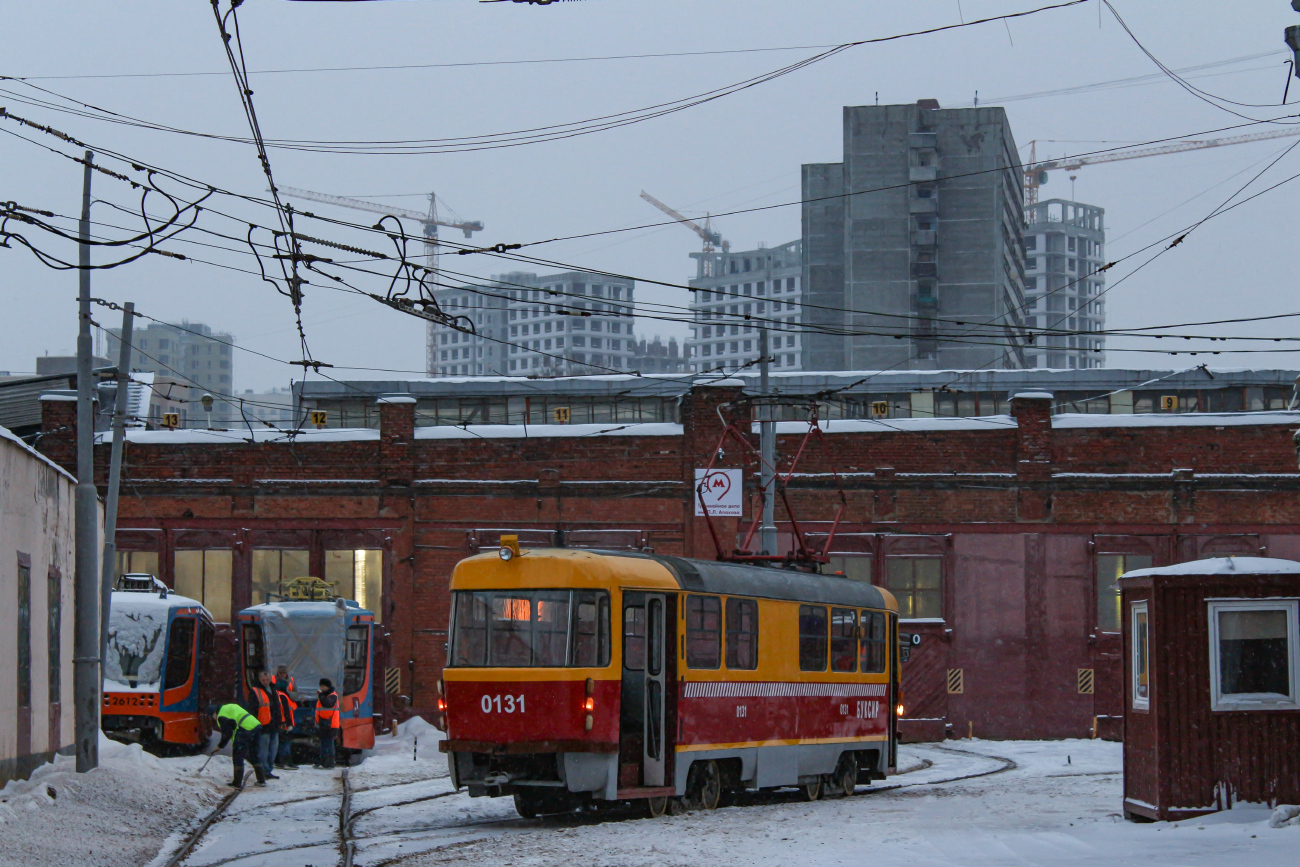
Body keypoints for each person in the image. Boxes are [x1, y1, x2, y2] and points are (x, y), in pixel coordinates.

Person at [208, 702, 266, 788]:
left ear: (214, 713)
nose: (214, 718)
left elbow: (226, 734)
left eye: (212, 716)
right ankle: (261, 780)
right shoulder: (228, 707)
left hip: (244, 729)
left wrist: (219, 746)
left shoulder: (221, 715)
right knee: (253, 753)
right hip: (255, 726)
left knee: (238, 756)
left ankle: (237, 783)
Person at [252, 671, 281, 780]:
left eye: (267, 680)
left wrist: (280, 721)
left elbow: (277, 707)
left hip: (273, 724)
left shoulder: (274, 689)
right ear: (259, 679)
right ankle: (264, 771)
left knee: (273, 749)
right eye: (263, 680)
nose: (265, 682)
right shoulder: (255, 691)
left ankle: (268, 770)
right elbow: (253, 709)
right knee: (263, 750)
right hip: (263, 725)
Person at [314, 678, 341, 769]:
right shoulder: (324, 696)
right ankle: (323, 761)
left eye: (323, 686)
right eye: (320, 686)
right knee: (323, 744)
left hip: (331, 724)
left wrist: (321, 695)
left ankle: (329, 762)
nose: (321, 688)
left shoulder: (332, 696)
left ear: (328, 687)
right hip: (323, 724)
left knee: (328, 744)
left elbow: (327, 704)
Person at [273, 675, 298, 770]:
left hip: (280, 723)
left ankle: (279, 761)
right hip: (285, 725)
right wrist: (289, 724)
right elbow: (286, 711)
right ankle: (286, 762)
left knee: (280, 743)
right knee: (286, 744)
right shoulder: (283, 696)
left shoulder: (276, 695)